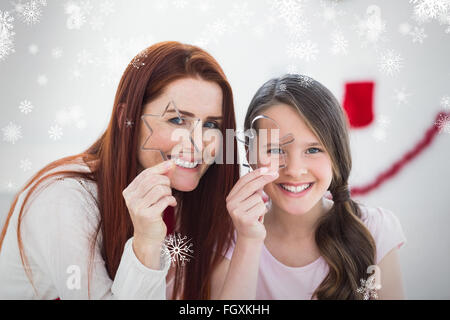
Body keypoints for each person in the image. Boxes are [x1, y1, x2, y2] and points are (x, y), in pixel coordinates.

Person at [0, 41, 240, 299]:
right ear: (127, 119)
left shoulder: (181, 198)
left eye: (212, 124)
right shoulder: (63, 199)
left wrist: (249, 238)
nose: (198, 142)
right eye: (178, 120)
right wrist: (146, 242)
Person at [211, 74, 407, 299]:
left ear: (336, 155)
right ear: (250, 154)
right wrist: (248, 239)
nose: (294, 170)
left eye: (313, 150)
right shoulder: (229, 236)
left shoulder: (374, 229)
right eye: (275, 150)